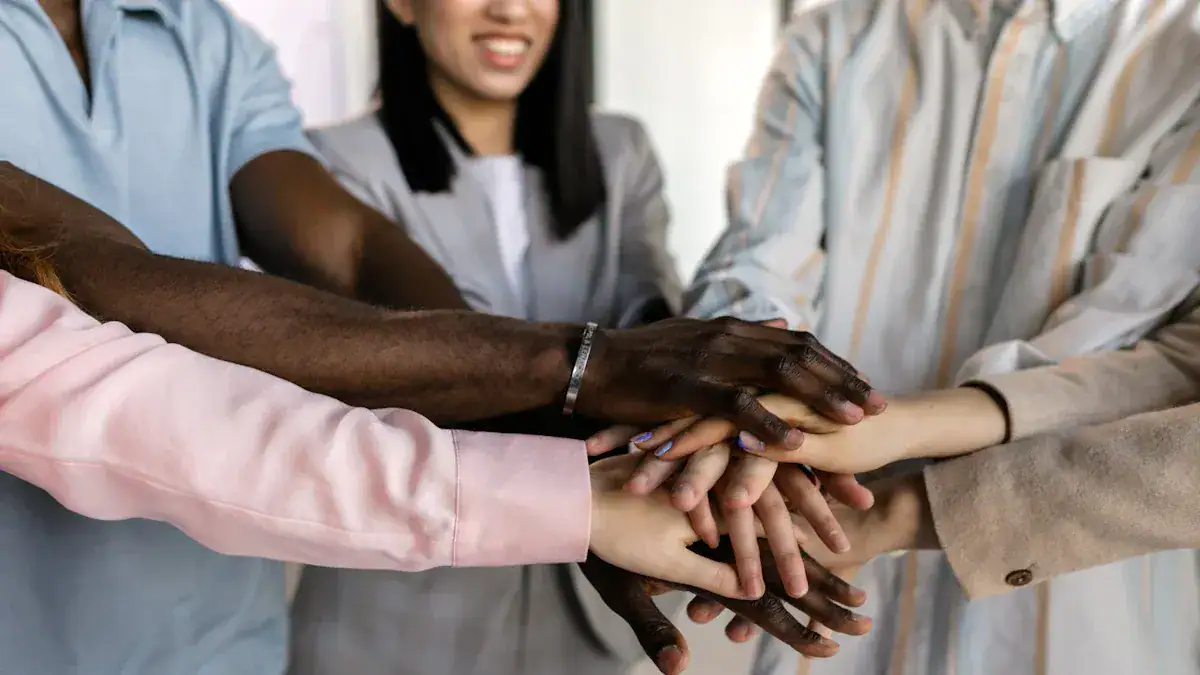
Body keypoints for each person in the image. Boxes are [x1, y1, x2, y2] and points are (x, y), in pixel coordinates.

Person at [0, 1, 882, 674]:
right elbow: (97, 285)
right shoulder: (343, 144)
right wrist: (583, 379)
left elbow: (351, 252)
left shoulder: (209, 39)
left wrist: (616, 468)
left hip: (229, 636)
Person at [591, 0, 1200, 672]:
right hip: (814, 572)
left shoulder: (1185, 54)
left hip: (1074, 604)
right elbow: (757, 260)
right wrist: (747, 415)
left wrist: (800, 430)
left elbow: (1164, 361)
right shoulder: (832, 38)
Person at [286, 0, 859, 672]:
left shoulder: (619, 150)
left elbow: (657, 332)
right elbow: (389, 371)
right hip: (406, 599)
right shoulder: (328, 162)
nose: (510, 10)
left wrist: (728, 434)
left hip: (595, 618)